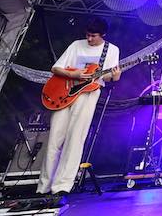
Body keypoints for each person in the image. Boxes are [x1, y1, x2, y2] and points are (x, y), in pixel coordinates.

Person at [38, 17, 120, 195]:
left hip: (88, 94)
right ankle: (43, 186)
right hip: (64, 92)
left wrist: (115, 76)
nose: (89, 39)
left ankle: (62, 186)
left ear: (103, 34)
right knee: (54, 139)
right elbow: (56, 68)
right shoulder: (76, 45)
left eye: (93, 36)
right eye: (87, 35)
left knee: (75, 138)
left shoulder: (112, 50)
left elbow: (106, 76)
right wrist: (73, 74)